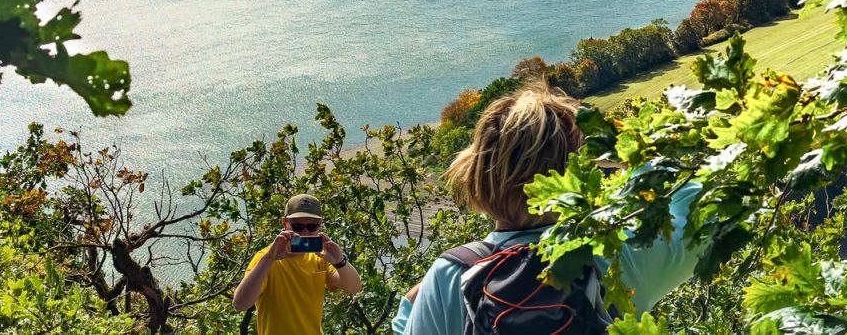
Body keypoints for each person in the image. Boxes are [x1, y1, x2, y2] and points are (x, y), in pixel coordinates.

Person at [392, 82, 702, 335]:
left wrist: (408, 308)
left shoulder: (451, 275)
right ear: (578, 172)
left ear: (477, 176)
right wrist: (624, 147)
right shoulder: (617, 256)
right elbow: (700, 197)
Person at [233, 193, 363, 334]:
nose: (305, 233)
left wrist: (339, 261)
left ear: (320, 225)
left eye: (312, 227)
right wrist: (269, 258)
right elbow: (240, 304)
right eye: (297, 227)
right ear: (285, 223)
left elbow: (354, 287)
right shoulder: (266, 259)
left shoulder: (321, 257)